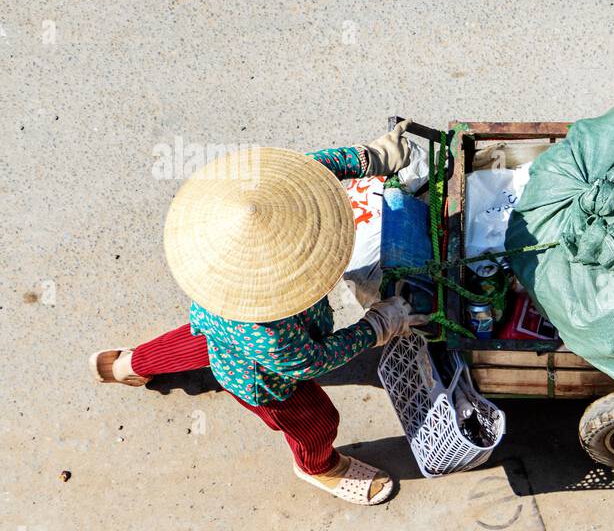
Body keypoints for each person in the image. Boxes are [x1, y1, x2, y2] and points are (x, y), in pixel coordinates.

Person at [91, 122, 426, 505]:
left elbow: (310, 172)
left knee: (198, 338)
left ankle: (133, 364)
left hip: (213, 319)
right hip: (261, 379)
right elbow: (309, 361)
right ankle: (319, 468)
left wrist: (370, 158)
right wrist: (377, 327)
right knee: (316, 421)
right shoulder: (269, 331)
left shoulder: (233, 231)